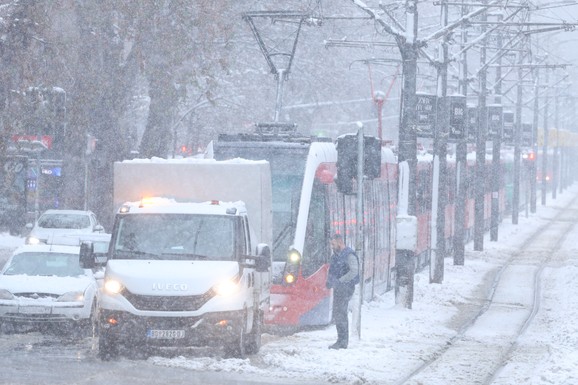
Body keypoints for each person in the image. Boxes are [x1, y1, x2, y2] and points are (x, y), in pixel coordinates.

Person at [326, 233, 359, 349]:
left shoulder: (349, 255)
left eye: (333, 244)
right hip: (339, 288)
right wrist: (330, 281)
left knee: (341, 313)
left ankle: (343, 341)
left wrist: (341, 281)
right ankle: (340, 340)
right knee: (338, 313)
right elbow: (332, 270)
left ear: (340, 242)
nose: (332, 246)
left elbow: (354, 271)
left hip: (346, 288)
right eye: (331, 244)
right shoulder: (336, 255)